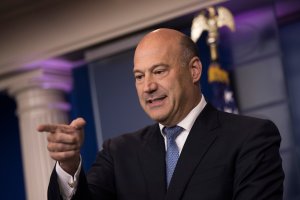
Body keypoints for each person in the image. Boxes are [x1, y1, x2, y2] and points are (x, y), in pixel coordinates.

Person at [38, 28, 284, 200]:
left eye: (159, 71)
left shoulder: (250, 137)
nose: (148, 87)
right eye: (139, 76)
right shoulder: (118, 152)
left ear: (195, 70)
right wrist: (68, 166)